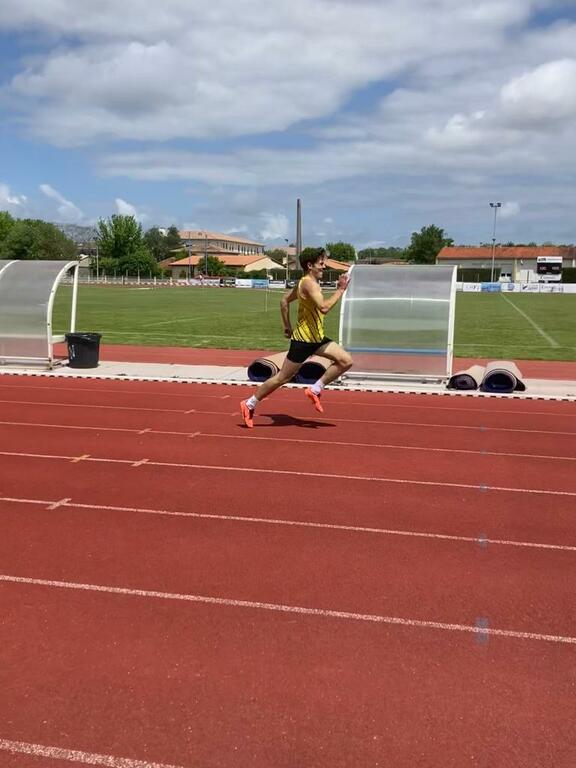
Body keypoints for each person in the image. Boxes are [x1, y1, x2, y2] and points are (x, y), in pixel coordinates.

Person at [240, 247, 353, 428]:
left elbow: (284, 301)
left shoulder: (304, 283)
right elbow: (324, 308)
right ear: (310, 265)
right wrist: (340, 289)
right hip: (302, 341)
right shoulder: (308, 284)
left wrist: (287, 326)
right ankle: (249, 403)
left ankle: (315, 389)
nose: (324, 267)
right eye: (321, 263)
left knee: (346, 361)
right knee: (282, 378)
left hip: (317, 338)